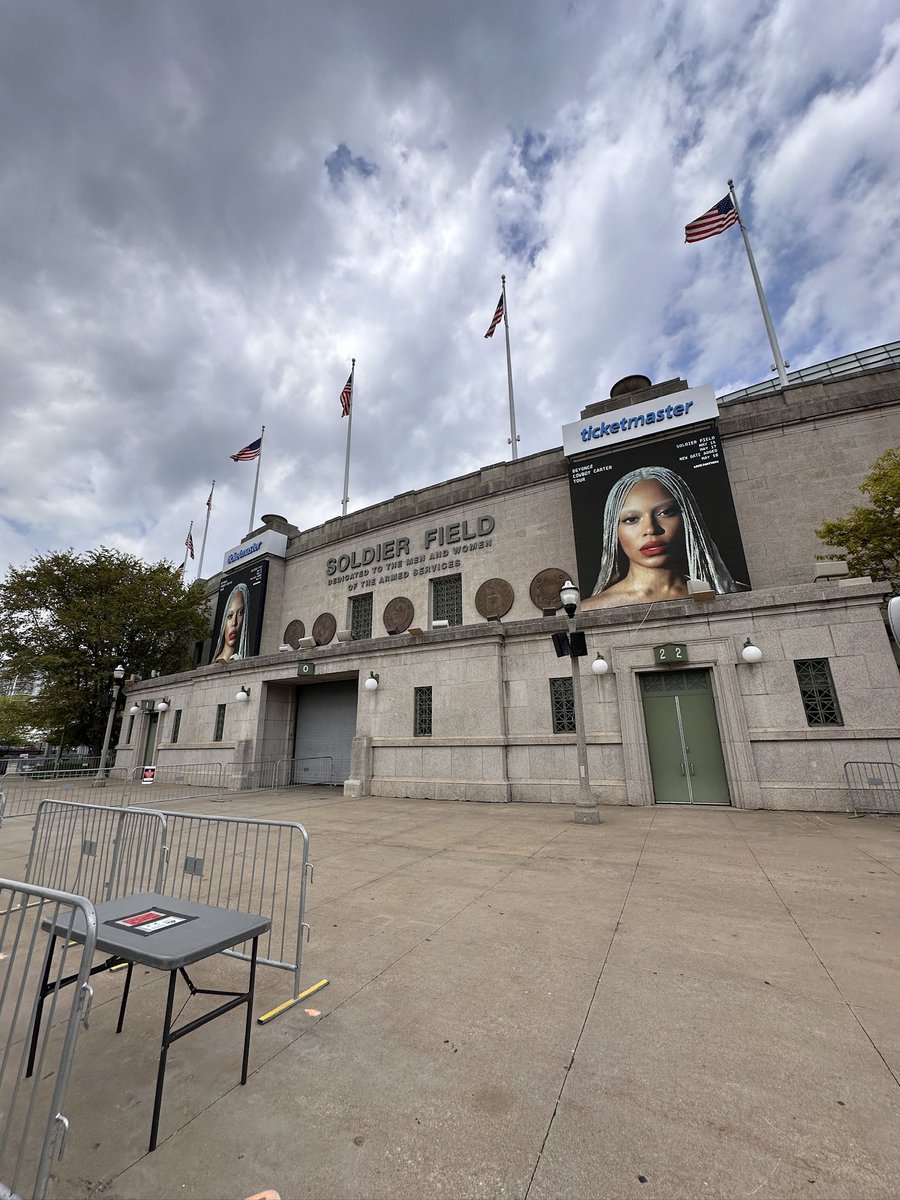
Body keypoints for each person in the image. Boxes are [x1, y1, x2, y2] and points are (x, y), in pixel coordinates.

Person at [580, 465, 742, 610]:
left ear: (687, 518)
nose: (651, 529)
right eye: (631, 519)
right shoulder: (591, 608)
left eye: (665, 512)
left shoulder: (725, 594)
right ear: (613, 531)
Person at [212, 582, 250, 662]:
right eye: (230, 616)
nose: (234, 622)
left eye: (240, 613)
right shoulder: (215, 663)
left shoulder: (242, 660)